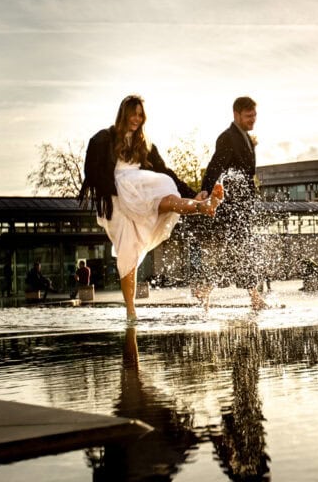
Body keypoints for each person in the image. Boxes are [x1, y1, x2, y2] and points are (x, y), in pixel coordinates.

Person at [78, 94, 224, 321]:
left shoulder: (145, 144)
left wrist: (189, 191)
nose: (136, 119)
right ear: (124, 113)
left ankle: (201, 206)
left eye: (140, 115)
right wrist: (109, 191)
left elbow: (166, 171)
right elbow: (93, 170)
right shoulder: (106, 138)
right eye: (133, 114)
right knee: (129, 255)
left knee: (165, 191)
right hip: (119, 197)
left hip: (140, 186)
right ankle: (131, 311)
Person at [195, 96, 267, 311]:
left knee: (235, 252)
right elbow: (215, 165)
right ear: (236, 114)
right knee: (241, 250)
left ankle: (206, 290)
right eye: (248, 116)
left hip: (242, 206)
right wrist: (205, 190)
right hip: (231, 207)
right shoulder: (228, 137)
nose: (252, 119)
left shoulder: (246, 137)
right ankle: (254, 298)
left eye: (254, 115)